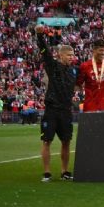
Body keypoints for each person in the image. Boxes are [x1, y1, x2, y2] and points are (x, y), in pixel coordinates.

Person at [34, 24, 76, 182]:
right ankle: (46, 172)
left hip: (66, 111)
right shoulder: (53, 66)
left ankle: (65, 171)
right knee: (47, 141)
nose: (71, 57)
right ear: (60, 55)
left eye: (72, 55)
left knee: (66, 141)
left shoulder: (73, 71)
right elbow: (44, 52)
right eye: (69, 55)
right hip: (52, 110)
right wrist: (39, 36)